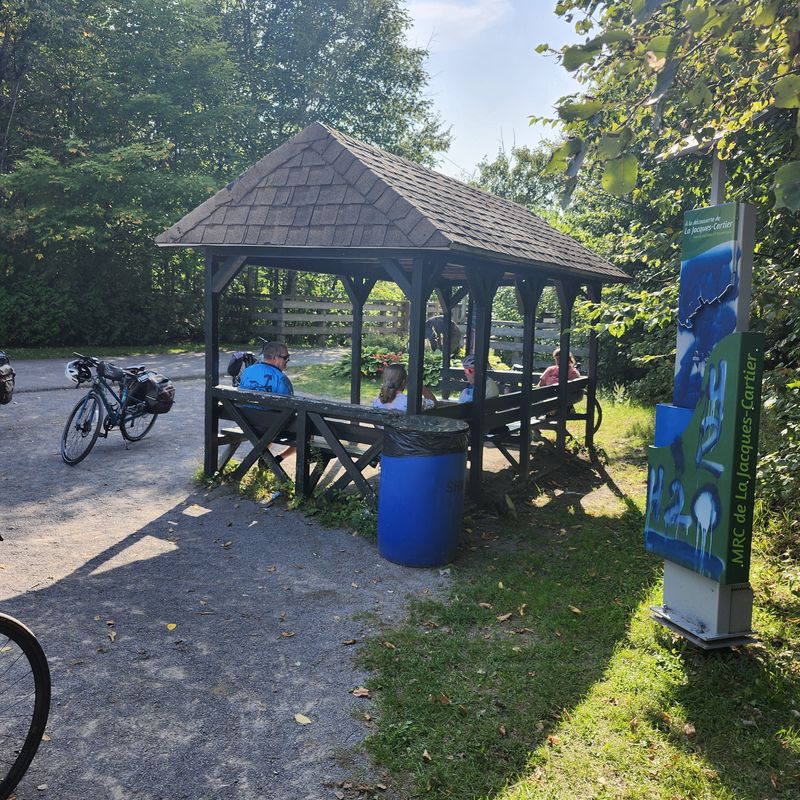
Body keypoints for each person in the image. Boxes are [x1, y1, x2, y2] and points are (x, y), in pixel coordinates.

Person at [238, 341, 295, 461]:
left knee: (270, 422)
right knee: (306, 432)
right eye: (286, 358)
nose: (287, 361)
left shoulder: (247, 371)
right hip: (269, 427)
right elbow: (287, 410)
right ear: (275, 358)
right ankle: (278, 458)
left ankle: (264, 458)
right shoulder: (281, 379)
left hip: (246, 423)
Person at [372, 364, 436, 412]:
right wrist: (418, 384)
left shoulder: (377, 401)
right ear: (404, 382)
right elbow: (434, 403)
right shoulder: (410, 402)